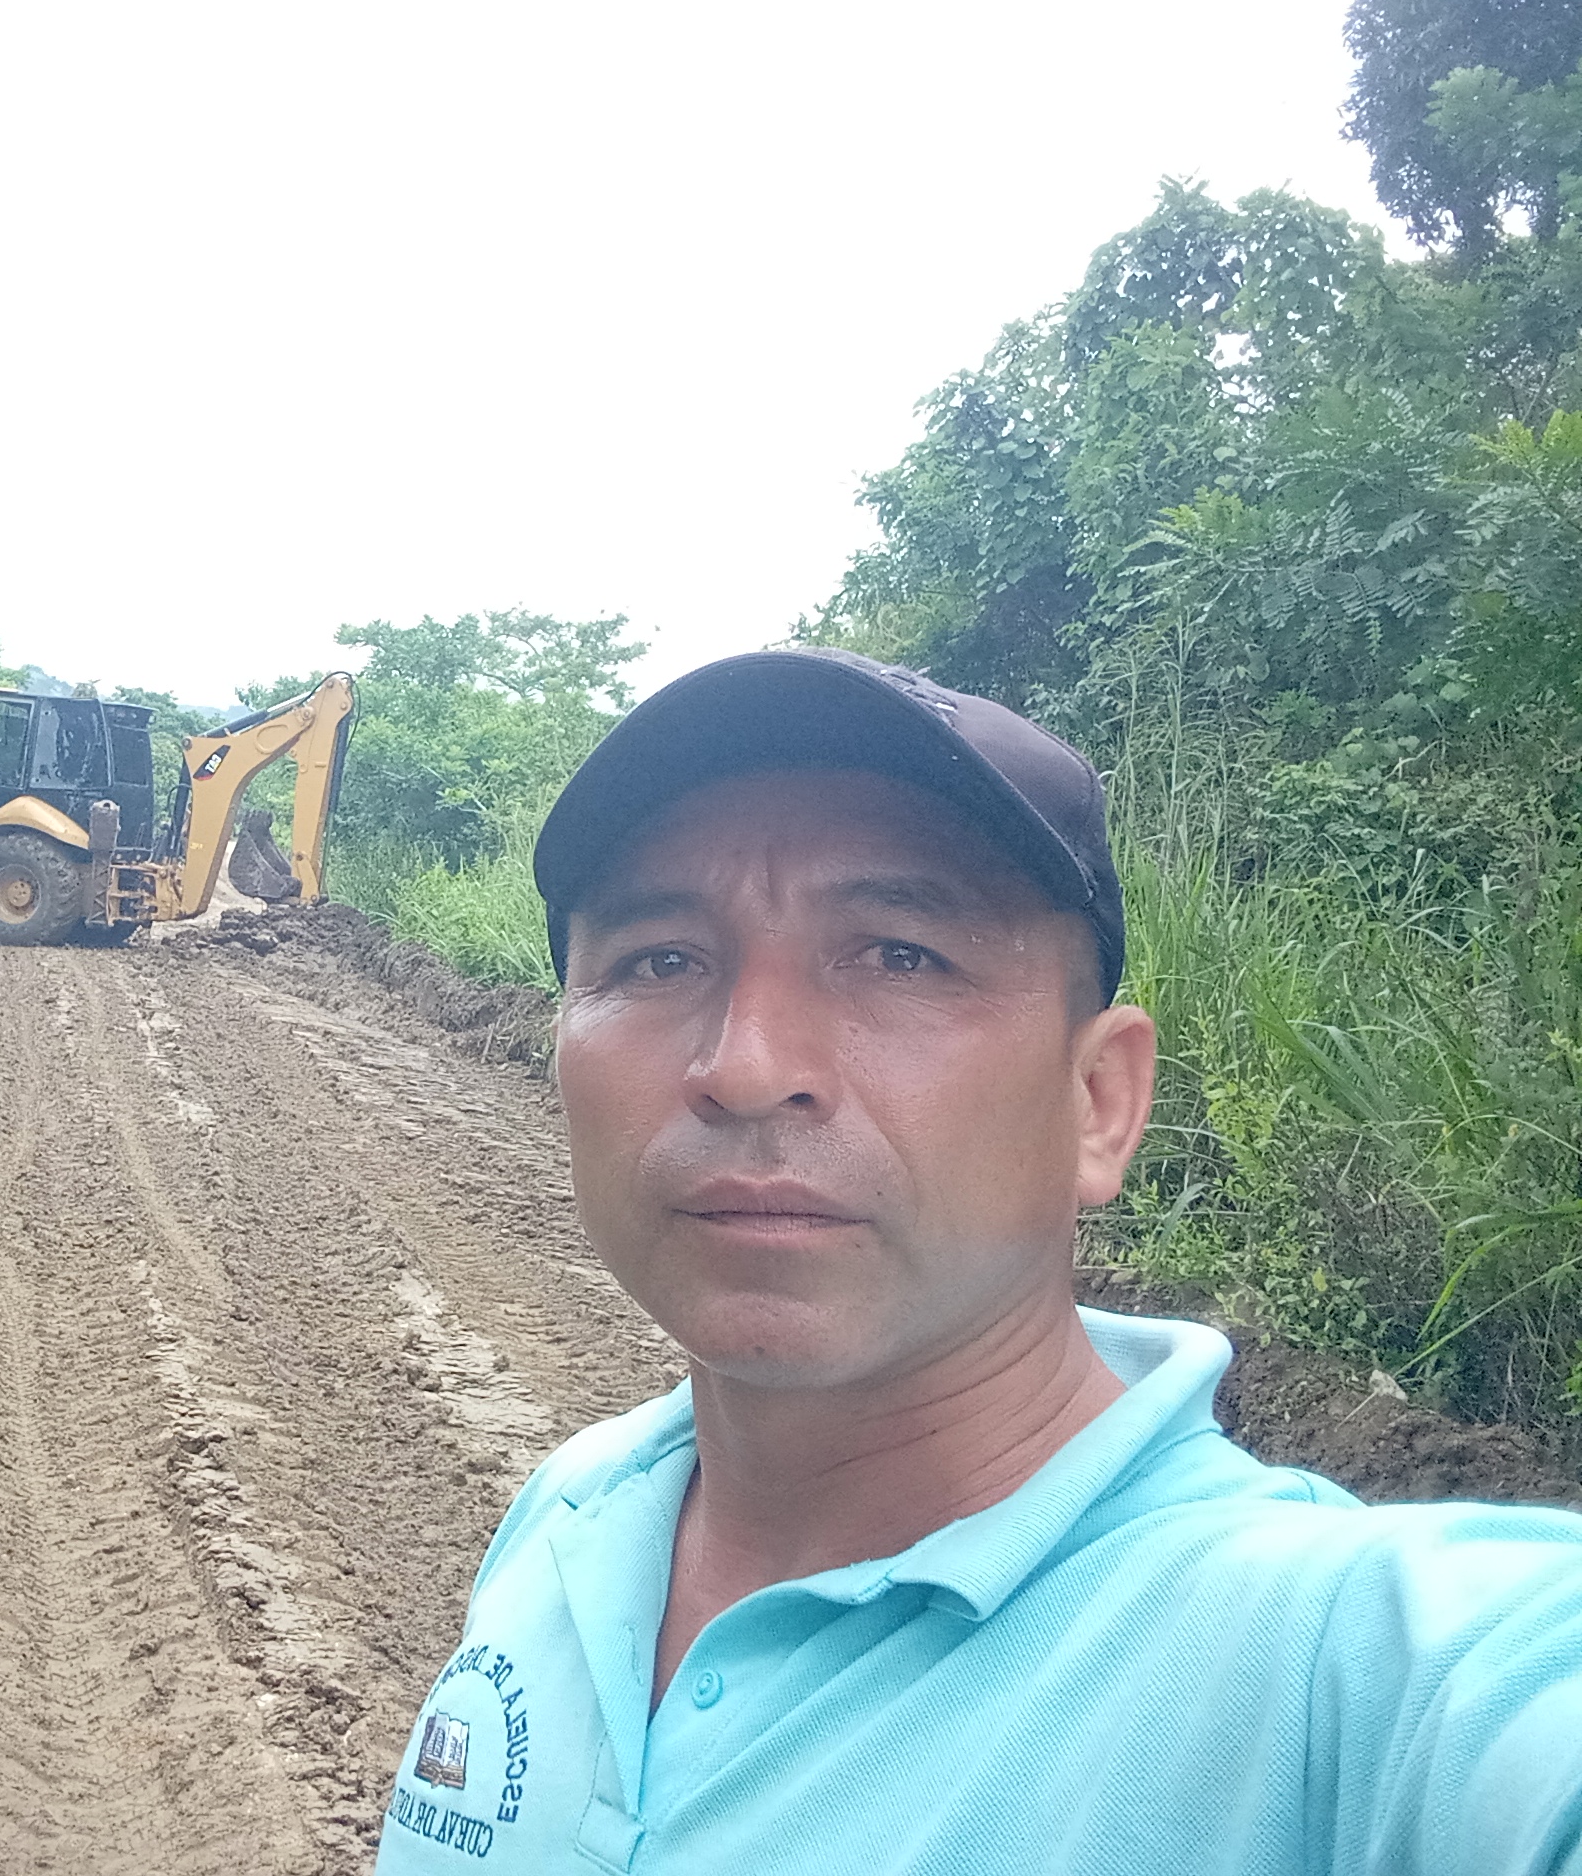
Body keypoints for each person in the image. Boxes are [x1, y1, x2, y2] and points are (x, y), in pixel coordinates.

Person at [374, 647, 1582, 1875]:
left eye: (901, 953)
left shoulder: (1341, 1679)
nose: (745, 1066)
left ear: (1098, 1101)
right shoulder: (578, 1510)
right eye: (658, 960)